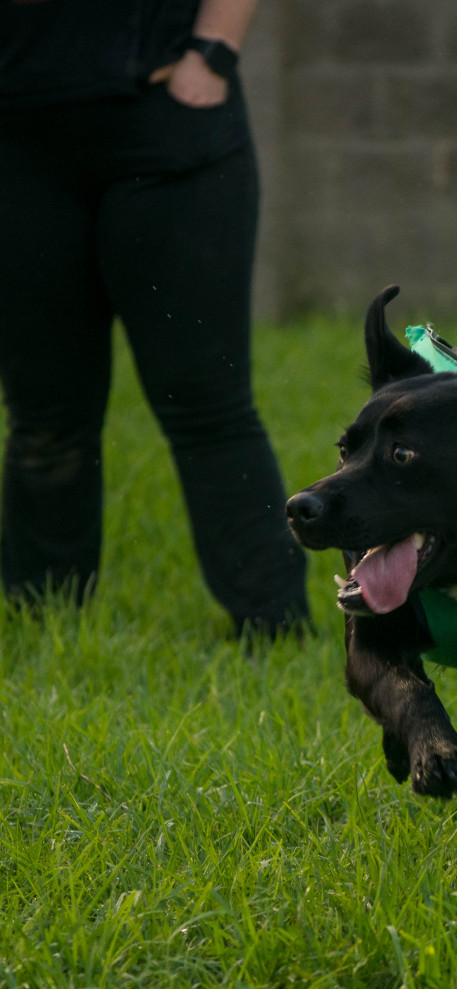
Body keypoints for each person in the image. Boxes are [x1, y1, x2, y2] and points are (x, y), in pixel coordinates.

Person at [0, 0, 308, 637]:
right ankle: (43, 621)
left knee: (209, 408)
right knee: (44, 415)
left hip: (168, 128)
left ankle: (274, 628)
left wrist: (214, 53)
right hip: (19, 139)